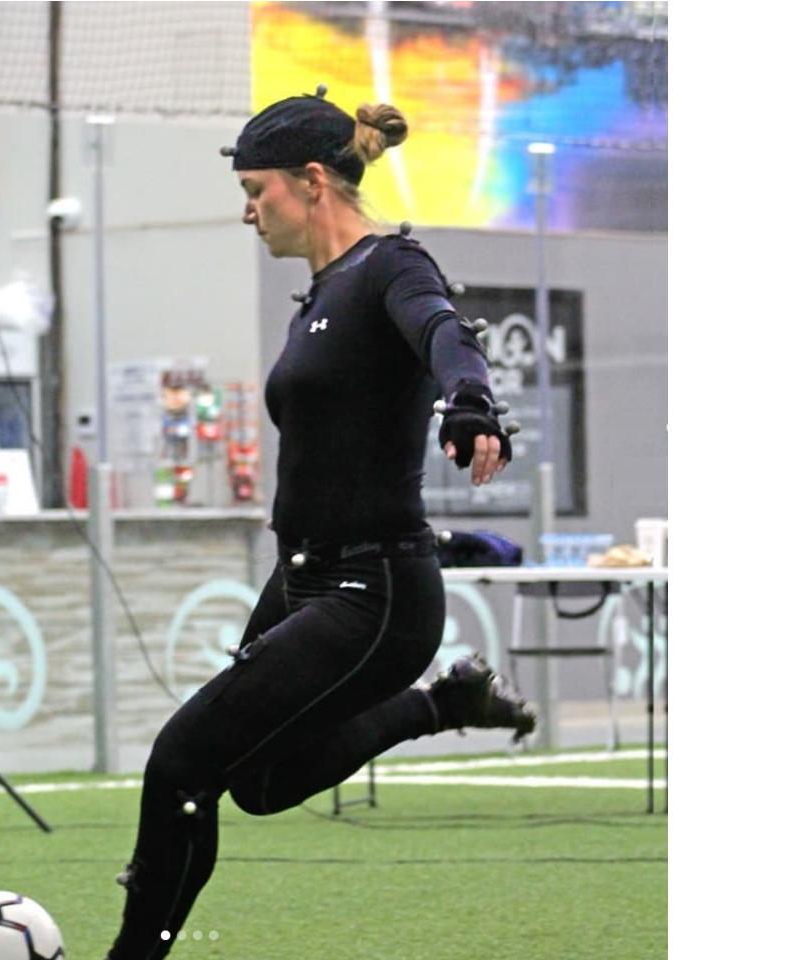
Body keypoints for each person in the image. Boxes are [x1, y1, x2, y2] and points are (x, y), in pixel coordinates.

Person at [102, 86, 531, 960]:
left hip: (373, 593)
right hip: (305, 577)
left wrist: (471, 403)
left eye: (256, 192)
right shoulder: (320, 294)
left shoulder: (390, 267)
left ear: (311, 181)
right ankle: (444, 706)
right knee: (257, 782)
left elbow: (445, 333)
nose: (248, 213)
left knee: (180, 762)